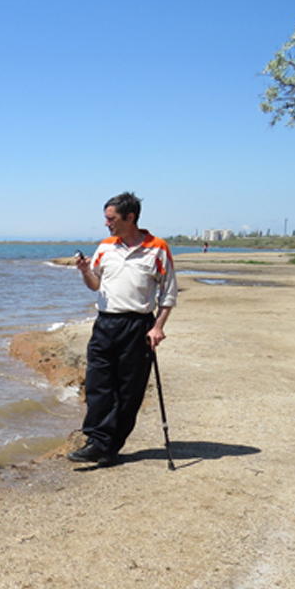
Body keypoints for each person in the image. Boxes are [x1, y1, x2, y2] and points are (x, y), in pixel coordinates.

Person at [68, 191, 178, 466]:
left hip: (138, 325)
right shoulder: (105, 247)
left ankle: (108, 445)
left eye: (111, 218)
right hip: (105, 323)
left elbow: (168, 294)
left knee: (129, 390)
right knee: (98, 383)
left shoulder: (158, 248)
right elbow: (96, 284)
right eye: (106, 219)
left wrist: (158, 327)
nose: (107, 224)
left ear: (130, 218)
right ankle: (97, 440)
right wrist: (84, 271)